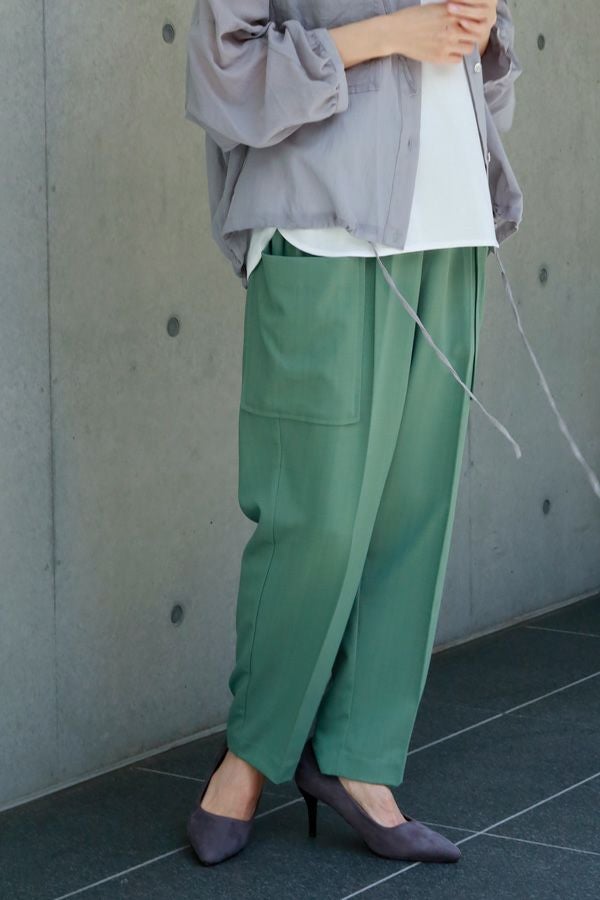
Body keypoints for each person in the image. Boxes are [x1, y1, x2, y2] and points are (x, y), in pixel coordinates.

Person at [182, 0, 600, 869]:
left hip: (450, 226)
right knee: (317, 519)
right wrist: (388, 36)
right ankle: (250, 754)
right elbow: (224, 70)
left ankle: (359, 760)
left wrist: (480, 34)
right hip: (325, 227)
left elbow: (489, 81)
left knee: (412, 519)